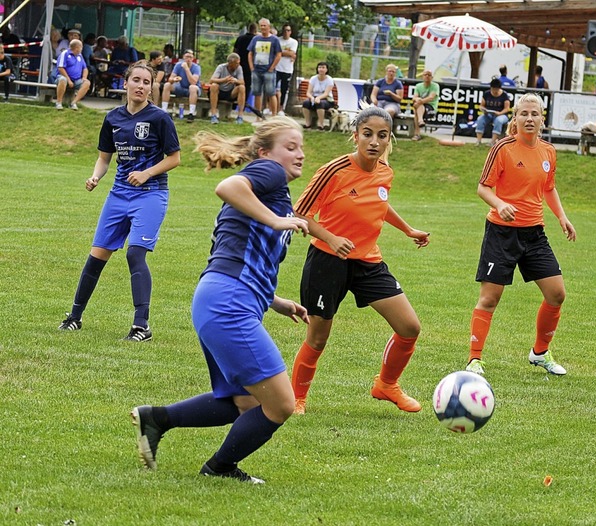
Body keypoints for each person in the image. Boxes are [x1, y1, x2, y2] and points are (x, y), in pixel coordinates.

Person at [131, 117, 310, 484]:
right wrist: (277, 221)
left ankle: (157, 419)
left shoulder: (268, 192)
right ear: (264, 153)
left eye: (301, 147)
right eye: (290, 147)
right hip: (228, 304)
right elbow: (227, 186)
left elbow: (236, 252)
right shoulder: (268, 174)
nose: (300, 154)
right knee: (280, 404)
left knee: (244, 402)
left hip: (219, 298)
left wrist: (275, 301)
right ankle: (220, 468)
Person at [291, 106, 431, 415]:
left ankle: (386, 385)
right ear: (355, 136)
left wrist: (408, 229)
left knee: (409, 327)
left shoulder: (385, 170)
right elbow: (299, 215)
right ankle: (296, 399)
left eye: (382, 136)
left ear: (389, 139)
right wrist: (331, 237)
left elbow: (380, 201)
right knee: (318, 335)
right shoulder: (334, 170)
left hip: (368, 262)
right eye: (367, 134)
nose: (374, 142)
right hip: (327, 261)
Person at [58, 61, 181, 341]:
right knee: (96, 256)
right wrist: (95, 177)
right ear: (125, 84)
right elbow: (105, 157)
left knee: (134, 254)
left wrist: (147, 173)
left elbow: (175, 158)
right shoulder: (113, 118)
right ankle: (74, 317)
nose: (141, 86)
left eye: (146, 82)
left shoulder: (160, 118)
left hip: (150, 194)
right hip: (118, 195)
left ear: (151, 88)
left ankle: (141, 326)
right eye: (136, 80)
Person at [465, 93, 576, 378]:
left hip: (534, 234)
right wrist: (500, 204)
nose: (529, 118)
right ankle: (474, 360)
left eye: (534, 114)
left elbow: (549, 188)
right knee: (490, 298)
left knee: (556, 294)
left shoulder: (549, 151)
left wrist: (562, 217)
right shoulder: (503, 148)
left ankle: (540, 352)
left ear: (542, 118)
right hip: (501, 234)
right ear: (514, 118)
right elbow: (483, 188)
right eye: (523, 114)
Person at [248, 18, 282, 120]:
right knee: (257, 93)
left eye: (264, 26)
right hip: (256, 69)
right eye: (261, 26)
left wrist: (272, 67)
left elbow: (278, 54)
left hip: (269, 70)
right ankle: (258, 116)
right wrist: (251, 67)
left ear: (269, 27)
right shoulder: (255, 39)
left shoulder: (274, 40)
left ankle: (274, 115)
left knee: (271, 93)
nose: (263, 27)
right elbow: (250, 53)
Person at [161, 48, 201, 123]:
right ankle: (164, 110)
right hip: (181, 87)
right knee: (167, 85)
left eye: (190, 57)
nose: (188, 59)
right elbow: (170, 79)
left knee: (192, 87)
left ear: (193, 58)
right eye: (187, 57)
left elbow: (193, 82)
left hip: (193, 90)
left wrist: (186, 69)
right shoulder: (178, 65)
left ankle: (191, 113)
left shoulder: (196, 67)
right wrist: (174, 80)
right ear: (183, 57)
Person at [51, 39, 91, 110]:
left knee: (87, 83)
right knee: (63, 79)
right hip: (63, 77)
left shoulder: (80, 56)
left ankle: (73, 103)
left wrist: (84, 77)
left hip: (76, 80)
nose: (82, 48)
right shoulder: (65, 54)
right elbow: (60, 68)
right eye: (81, 47)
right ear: (77, 48)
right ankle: (58, 103)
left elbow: (85, 68)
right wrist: (69, 80)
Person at [208, 52, 246, 125]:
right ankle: (213, 115)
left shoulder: (239, 68)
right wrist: (224, 80)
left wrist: (235, 81)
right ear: (230, 63)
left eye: (238, 63)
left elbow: (242, 82)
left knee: (242, 87)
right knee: (214, 86)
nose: (238, 65)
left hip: (230, 92)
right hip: (219, 91)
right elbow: (211, 80)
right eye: (236, 63)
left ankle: (240, 116)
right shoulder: (221, 67)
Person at [475, 78, 511, 146]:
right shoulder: (486, 94)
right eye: (493, 89)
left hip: (501, 115)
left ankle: (492, 142)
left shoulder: (504, 95)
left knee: (498, 121)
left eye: (496, 89)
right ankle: (478, 141)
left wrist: (500, 113)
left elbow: (507, 108)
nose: (494, 91)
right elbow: (481, 106)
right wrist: (484, 110)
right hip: (489, 114)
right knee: (480, 119)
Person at [301, 61, 335, 130]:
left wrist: (319, 98)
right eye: (319, 67)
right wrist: (311, 97)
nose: (321, 69)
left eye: (323, 67)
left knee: (320, 103)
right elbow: (308, 92)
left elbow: (326, 94)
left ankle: (321, 125)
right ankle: (308, 124)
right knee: (306, 103)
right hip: (314, 98)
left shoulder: (330, 80)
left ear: (326, 70)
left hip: (327, 99)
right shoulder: (313, 78)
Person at [275, 23, 298, 116]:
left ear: (291, 32)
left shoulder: (293, 42)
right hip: (276, 67)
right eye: (285, 30)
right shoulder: (277, 40)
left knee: (284, 89)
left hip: (287, 69)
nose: (286, 32)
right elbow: (276, 52)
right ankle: (270, 107)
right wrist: (286, 53)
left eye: (288, 30)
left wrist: (281, 53)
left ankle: (281, 108)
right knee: (271, 88)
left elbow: (292, 53)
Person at [411, 69, 440, 141]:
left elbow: (431, 98)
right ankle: (420, 122)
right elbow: (414, 97)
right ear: (422, 77)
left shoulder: (435, 86)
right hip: (419, 106)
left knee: (417, 108)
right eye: (425, 75)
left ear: (432, 77)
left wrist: (420, 101)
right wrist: (417, 100)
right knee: (417, 107)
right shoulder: (418, 86)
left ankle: (417, 133)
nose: (427, 76)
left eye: (429, 75)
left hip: (431, 107)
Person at [233, 23, 257, 100]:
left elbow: (235, 51)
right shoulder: (256, 39)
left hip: (239, 63)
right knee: (247, 84)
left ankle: (235, 99)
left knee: (237, 82)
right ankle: (244, 101)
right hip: (250, 65)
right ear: (256, 30)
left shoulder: (240, 38)